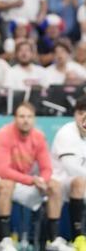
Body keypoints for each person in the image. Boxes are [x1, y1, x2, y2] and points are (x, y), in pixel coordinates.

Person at [0, 103, 69, 251]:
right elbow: (4, 170)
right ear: (15, 118)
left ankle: (54, 239)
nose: (26, 120)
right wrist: (32, 180)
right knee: (7, 183)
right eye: (22, 116)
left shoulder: (39, 136)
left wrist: (43, 181)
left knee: (54, 186)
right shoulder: (3, 134)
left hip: (19, 182)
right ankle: (5, 241)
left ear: (34, 119)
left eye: (29, 116)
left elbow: (46, 168)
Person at [51, 96, 86, 251]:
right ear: (75, 115)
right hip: (60, 183)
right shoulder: (66, 132)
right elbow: (71, 168)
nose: (84, 117)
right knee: (79, 181)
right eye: (81, 112)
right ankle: (78, 237)